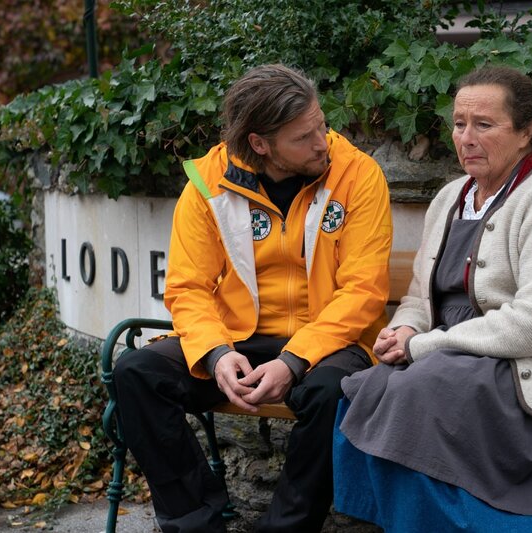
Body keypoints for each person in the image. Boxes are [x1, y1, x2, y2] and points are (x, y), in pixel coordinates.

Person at [334, 66, 532, 527]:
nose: (466, 137)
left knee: (421, 389)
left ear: (526, 131)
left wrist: (423, 345)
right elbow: (422, 295)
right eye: (459, 124)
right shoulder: (450, 197)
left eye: (484, 124)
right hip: (463, 355)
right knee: (366, 387)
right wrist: (404, 327)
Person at [113, 64, 392, 533]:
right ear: (261, 144)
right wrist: (217, 353)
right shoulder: (207, 183)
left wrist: (294, 360)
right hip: (239, 339)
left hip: (328, 344)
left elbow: (363, 291)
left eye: (321, 125)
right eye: (303, 137)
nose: (322, 142)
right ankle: (196, 523)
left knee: (330, 392)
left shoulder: (358, 175)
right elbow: (188, 287)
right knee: (136, 372)